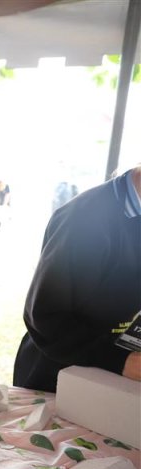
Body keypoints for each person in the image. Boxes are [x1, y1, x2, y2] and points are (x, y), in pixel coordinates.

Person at [13, 165, 141, 393]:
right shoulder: (86, 219)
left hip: (113, 380)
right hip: (57, 376)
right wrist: (121, 361)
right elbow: (46, 317)